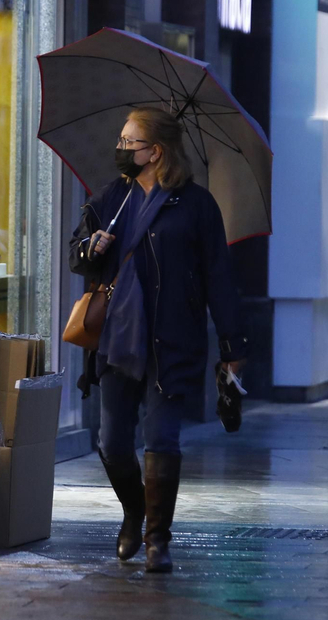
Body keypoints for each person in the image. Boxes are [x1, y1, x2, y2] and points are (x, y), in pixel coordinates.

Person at [70, 107, 247, 574]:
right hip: (116, 339)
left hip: (173, 339)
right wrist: (92, 249)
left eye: (130, 141)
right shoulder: (110, 198)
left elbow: (218, 278)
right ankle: (135, 511)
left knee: (162, 438)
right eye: (122, 139)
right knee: (112, 442)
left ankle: (156, 540)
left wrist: (233, 348)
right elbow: (78, 257)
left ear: (156, 151)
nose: (122, 148)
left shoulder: (195, 205)